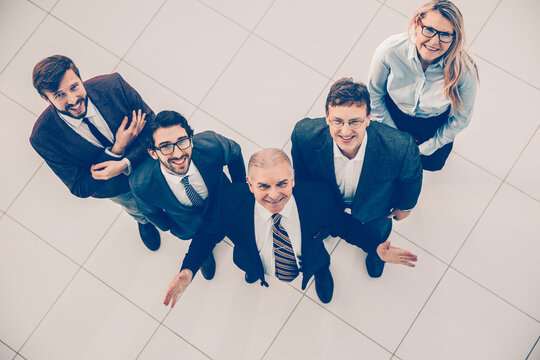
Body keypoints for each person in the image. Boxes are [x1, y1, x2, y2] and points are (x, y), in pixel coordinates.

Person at [163, 149, 418, 308]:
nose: (274, 195)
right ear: (250, 184)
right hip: (252, 257)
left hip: (311, 257)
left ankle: (320, 274)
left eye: (282, 183)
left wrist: (374, 247)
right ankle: (257, 272)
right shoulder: (228, 202)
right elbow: (207, 236)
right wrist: (188, 269)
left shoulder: (317, 196)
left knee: (319, 264)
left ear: (293, 179)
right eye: (263, 186)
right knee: (251, 267)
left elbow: (344, 226)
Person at [291, 78, 422, 278]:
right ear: (327, 117)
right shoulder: (304, 136)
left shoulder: (399, 147)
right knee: (325, 227)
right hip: (329, 205)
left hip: (375, 209)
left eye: (354, 121)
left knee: (377, 234)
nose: (345, 131)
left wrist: (405, 207)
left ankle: (376, 253)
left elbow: (411, 179)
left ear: (368, 118)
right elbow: (302, 175)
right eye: (337, 121)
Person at [30, 55, 160, 250]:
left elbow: (155, 127)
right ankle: (143, 221)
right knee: (136, 208)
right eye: (59, 95)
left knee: (175, 202)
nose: (73, 100)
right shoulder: (43, 137)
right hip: (117, 188)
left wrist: (124, 163)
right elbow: (80, 187)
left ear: (80, 78)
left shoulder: (113, 85)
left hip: (152, 162)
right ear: (45, 98)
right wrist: (117, 150)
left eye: (74, 87)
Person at [129, 110, 246, 278]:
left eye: (182, 141)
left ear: (191, 139)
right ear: (153, 153)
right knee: (201, 246)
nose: (178, 154)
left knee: (243, 238)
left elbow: (235, 153)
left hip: (225, 205)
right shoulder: (141, 184)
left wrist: (239, 190)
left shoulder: (212, 144)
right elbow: (150, 212)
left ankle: (248, 259)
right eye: (165, 146)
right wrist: (170, 227)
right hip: (190, 226)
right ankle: (204, 254)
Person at [368, 0, 479, 171]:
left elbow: (461, 119)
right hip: (392, 114)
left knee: (431, 164)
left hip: (432, 125)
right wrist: (396, 138)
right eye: (429, 30)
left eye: (445, 34)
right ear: (416, 25)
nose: (434, 42)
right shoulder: (390, 50)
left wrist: (428, 147)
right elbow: (374, 95)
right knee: (383, 158)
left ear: (455, 37)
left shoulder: (465, 70)